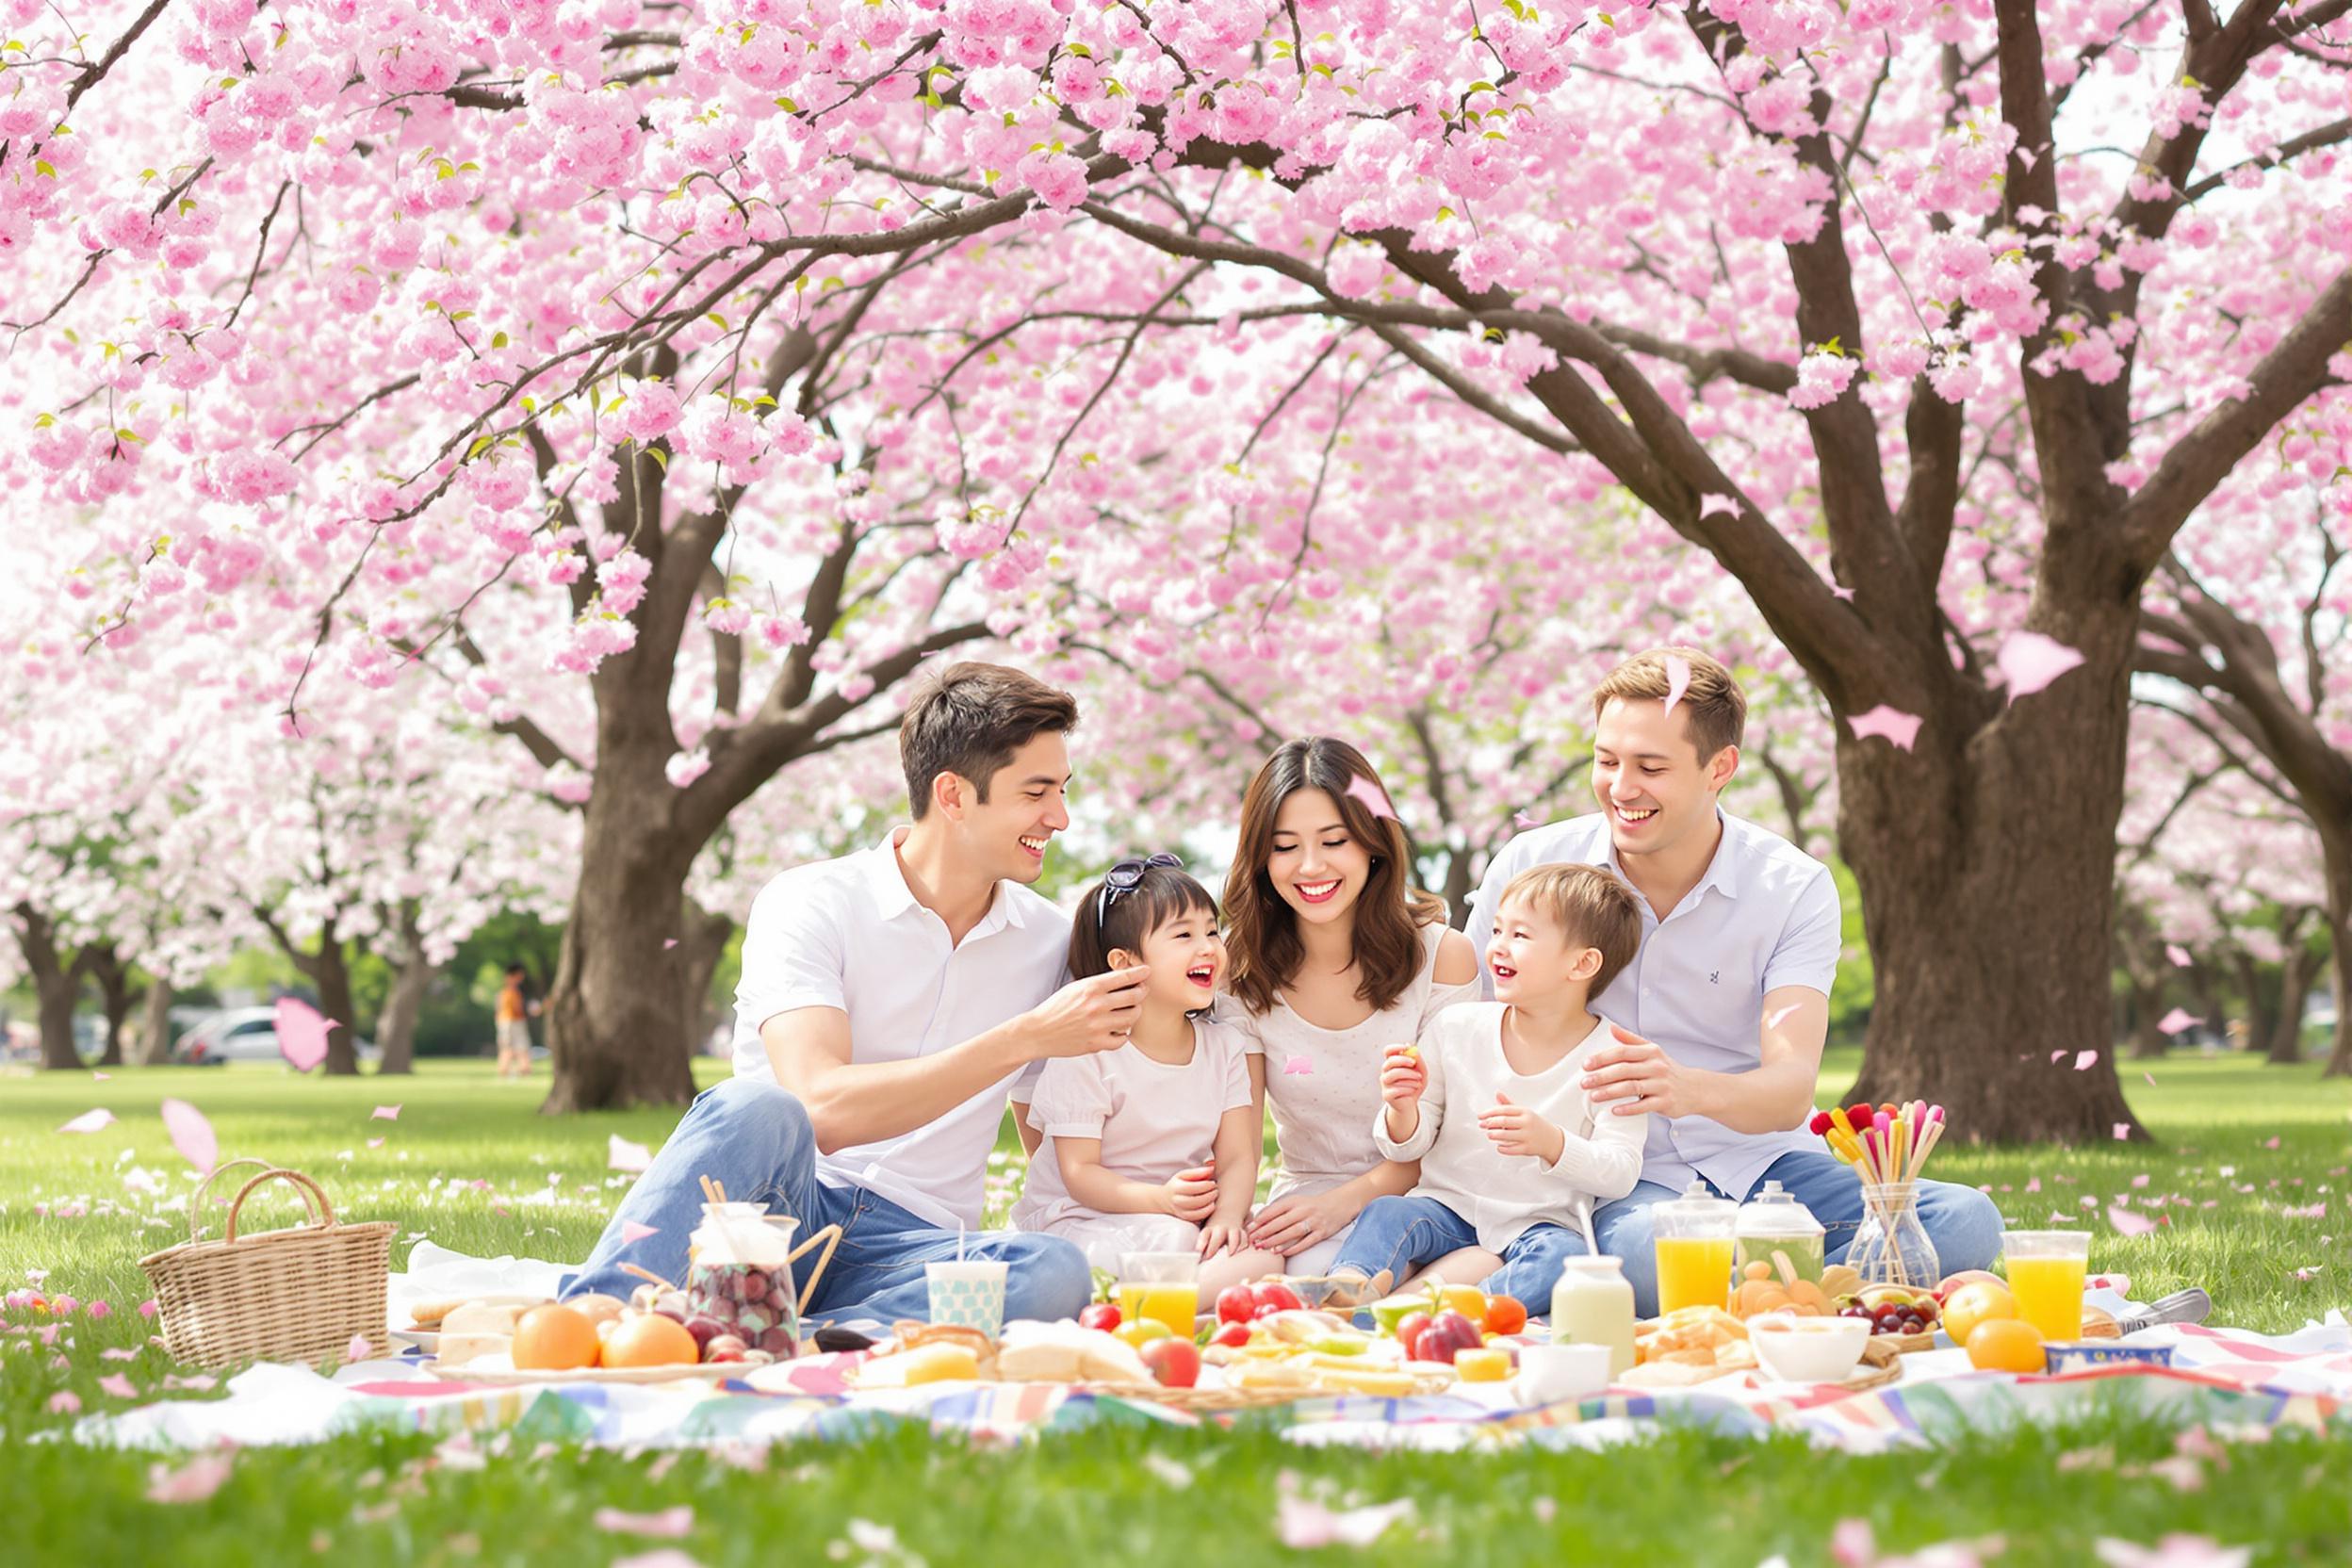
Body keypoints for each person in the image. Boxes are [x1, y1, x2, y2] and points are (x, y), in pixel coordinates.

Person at [564, 662, 1144, 1327]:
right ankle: (590, 1319)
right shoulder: (812, 901)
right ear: (953, 795)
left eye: (1063, 790)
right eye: (1037, 792)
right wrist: (1025, 1036)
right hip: (775, 1215)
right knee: (755, 1106)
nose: (1061, 818)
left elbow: (1059, 1127)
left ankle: (780, 1332)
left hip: (911, 1247)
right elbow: (823, 1108)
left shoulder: (1048, 939)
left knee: (1052, 1270)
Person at [1463, 647, 2002, 1316]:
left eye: (1650, 767)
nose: (1620, 787)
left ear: (1720, 768)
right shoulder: (1533, 864)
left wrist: (1682, 1087)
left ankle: (1743, 1290)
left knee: (1968, 1219)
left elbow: (1787, 1090)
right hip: (1620, 1177)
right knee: (1643, 1257)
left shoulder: (1790, 886)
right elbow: (1468, 1032)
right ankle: (1815, 1291)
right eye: (1606, 761)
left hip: (1763, 1166)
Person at [1318, 863, 1651, 1310]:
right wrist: (1403, 1109)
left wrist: (1551, 1143)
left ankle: (1458, 1312)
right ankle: (1345, 1292)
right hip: (1445, 1209)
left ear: (1583, 963)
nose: (1497, 947)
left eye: (1521, 936)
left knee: (1566, 1258)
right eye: (1497, 930)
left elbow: (1621, 1170)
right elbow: (1405, 1149)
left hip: (1537, 1224)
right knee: (1389, 1211)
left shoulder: (1615, 1057)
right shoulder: (1456, 1026)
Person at [1217, 737, 1481, 1275]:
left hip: (1426, 1204)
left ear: (1372, 842)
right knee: (1250, 1279)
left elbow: (1451, 1133)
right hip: (1304, 1201)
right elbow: (1239, 1140)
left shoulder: (1443, 957)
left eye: (1334, 841)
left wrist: (1346, 1204)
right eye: (1285, 846)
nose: (1310, 867)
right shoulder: (1239, 971)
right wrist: (1231, 1218)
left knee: (1350, 1280)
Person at [1009, 856, 1284, 1296]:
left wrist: (1229, 1217)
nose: (1208, 947)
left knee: (1265, 1252)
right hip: (1079, 1220)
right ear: (1124, 962)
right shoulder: (1088, 1051)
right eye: (1183, 935)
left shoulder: (1224, 1047)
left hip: (1172, 1217)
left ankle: (1163, 1304)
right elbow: (1080, 1172)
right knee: (1175, 1242)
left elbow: (1237, 1157)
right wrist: (1160, 1201)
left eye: (1212, 931)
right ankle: (1168, 1300)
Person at [494, 964, 535, 1079]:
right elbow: (516, 1008)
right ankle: (508, 1070)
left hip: (510, 1021)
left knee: (517, 1046)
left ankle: (522, 1069)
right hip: (510, 1021)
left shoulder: (515, 991)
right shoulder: (509, 992)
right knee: (511, 1047)